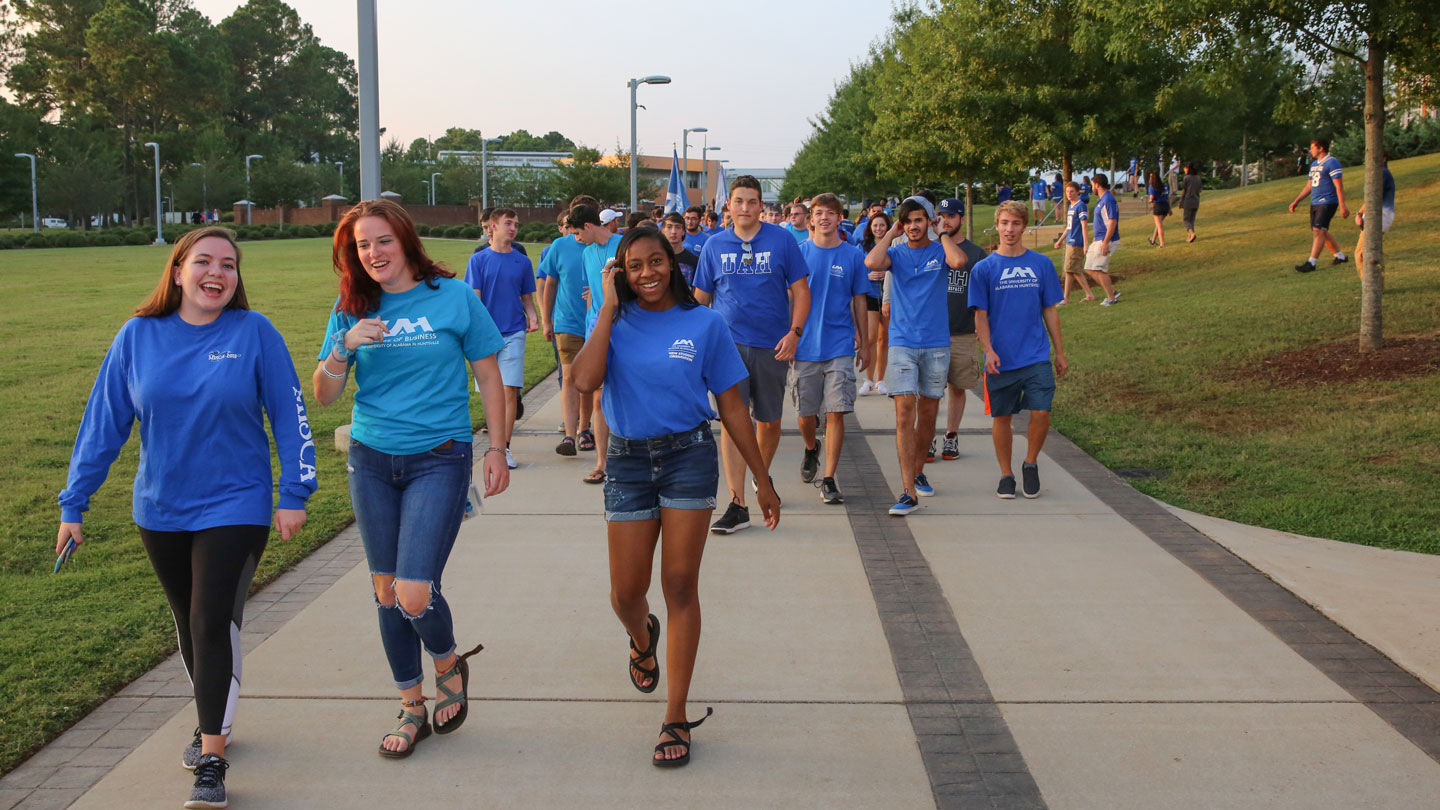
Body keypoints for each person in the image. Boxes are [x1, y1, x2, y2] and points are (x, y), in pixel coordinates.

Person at [58, 226, 316, 809]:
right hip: (160, 507)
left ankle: (212, 756)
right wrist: (75, 502)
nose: (217, 273)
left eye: (228, 264)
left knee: (209, 618)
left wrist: (294, 492)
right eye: (204, 262)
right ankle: (213, 719)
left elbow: (290, 414)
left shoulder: (255, 332)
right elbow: (104, 424)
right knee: (191, 622)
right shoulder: (137, 336)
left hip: (237, 502)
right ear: (177, 270)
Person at [570, 226, 780, 767]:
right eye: (634, 265)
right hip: (628, 462)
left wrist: (762, 479)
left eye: (656, 261)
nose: (648, 273)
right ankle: (642, 638)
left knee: (680, 584)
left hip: (688, 456)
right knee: (625, 593)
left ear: (674, 264)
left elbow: (734, 408)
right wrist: (605, 308)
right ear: (620, 272)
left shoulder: (705, 324)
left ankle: (676, 715)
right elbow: (586, 381)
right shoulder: (613, 325)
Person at [311, 199, 510, 760]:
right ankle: (412, 707)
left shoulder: (452, 297)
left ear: (405, 240)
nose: (372, 253)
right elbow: (324, 396)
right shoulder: (351, 307)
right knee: (384, 593)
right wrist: (343, 349)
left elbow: (490, 377)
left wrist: (497, 448)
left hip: (440, 458)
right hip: (372, 461)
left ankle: (448, 662)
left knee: (412, 590)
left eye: (382, 241)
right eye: (361, 245)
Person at [693, 175, 811, 534]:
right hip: (727, 348)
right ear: (728, 205)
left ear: (762, 206)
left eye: (752, 201)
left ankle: (762, 475)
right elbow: (700, 300)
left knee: (769, 421)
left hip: (772, 346)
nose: (745, 208)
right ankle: (737, 501)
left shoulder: (782, 241)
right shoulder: (714, 246)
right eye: (738, 201)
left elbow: (802, 292)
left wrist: (794, 334)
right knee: (732, 422)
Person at [864, 197, 964, 516]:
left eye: (919, 220)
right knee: (905, 410)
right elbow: (871, 263)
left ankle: (918, 470)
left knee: (929, 413)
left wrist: (942, 232)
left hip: (936, 344)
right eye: (908, 221)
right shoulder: (895, 252)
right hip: (903, 342)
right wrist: (891, 231)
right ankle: (908, 491)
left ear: (929, 221)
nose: (913, 226)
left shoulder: (940, 250)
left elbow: (959, 262)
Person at [969, 201, 1067, 500]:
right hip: (1001, 358)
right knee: (1002, 418)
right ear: (997, 226)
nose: (1010, 229)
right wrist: (988, 350)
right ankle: (1006, 474)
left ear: (1024, 226)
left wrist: (1059, 353)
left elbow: (1050, 310)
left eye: (1015, 223)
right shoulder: (984, 269)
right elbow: (980, 316)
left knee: (1041, 411)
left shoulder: (1041, 264)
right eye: (1004, 223)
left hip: (1035, 355)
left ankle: (1031, 462)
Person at [793, 193, 871, 503]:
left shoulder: (853, 256)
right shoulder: (799, 253)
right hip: (804, 347)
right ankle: (812, 447)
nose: (824, 218)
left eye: (831, 213)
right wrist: (788, 336)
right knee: (805, 415)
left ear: (841, 219)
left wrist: (865, 343)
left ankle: (829, 478)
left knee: (837, 412)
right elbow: (788, 299)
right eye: (819, 213)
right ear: (811, 219)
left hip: (839, 345)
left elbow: (860, 301)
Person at [464, 207, 538, 470]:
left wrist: (533, 316)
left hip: (514, 332)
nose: (513, 228)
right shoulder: (479, 260)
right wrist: (477, 332)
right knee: (489, 391)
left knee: (509, 391)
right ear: (492, 226)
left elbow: (527, 296)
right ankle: (495, 441)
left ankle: (503, 448)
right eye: (508, 223)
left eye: (516, 224)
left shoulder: (522, 261)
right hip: (486, 336)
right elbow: (474, 298)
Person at [538, 196, 601, 457]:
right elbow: (550, 282)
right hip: (567, 322)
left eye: (577, 229)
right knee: (570, 378)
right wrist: (546, 318)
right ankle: (569, 435)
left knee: (588, 380)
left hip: (596, 323)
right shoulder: (559, 246)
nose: (575, 235)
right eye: (570, 229)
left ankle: (584, 428)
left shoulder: (602, 247)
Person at [572, 204, 623, 484]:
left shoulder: (624, 244)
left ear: (589, 226)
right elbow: (591, 292)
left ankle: (628, 456)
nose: (576, 238)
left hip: (625, 325)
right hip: (597, 326)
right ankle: (602, 462)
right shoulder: (587, 254)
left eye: (578, 232)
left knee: (627, 390)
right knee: (599, 396)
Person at [935, 198, 987, 462]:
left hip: (963, 330)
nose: (946, 220)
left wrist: (983, 327)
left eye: (951, 216)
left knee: (957, 387)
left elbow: (984, 296)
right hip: (932, 332)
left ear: (962, 219)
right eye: (941, 215)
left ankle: (951, 436)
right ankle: (927, 437)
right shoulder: (931, 250)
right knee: (929, 389)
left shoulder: (976, 254)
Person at [1289, 137, 1349, 273]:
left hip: (1327, 202)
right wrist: (1297, 200)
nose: (1310, 150)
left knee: (1319, 231)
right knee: (1321, 232)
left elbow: (1339, 186)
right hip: (1315, 202)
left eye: (1312, 147)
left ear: (1321, 148)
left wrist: (1342, 206)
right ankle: (1340, 257)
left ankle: (1312, 263)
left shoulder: (1332, 162)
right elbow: (1309, 186)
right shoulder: (1314, 165)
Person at [858, 211, 893, 396]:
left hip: (888, 297)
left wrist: (887, 275)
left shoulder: (893, 246)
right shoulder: (864, 247)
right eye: (875, 225)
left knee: (884, 338)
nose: (879, 229)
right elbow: (857, 272)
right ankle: (868, 379)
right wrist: (868, 275)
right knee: (871, 338)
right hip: (870, 295)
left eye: (882, 225)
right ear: (870, 228)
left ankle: (881, 380)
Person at [1352, 153, 1395, 278]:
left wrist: (1359, 213)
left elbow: (1373, 197)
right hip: (1379, 216)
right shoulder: (1382, 173)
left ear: (1384, 158)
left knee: (1360, 253)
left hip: (1380, 217)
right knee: (1375, 253)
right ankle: (1378, 284)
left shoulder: (1382, 173)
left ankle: (1369, 285)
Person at [1054, 181, 1095, 304]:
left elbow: (1084, 225)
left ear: (1077, 192)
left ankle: (1088, 294)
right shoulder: (1071, 207)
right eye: (1067, 191)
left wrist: (1086, 243)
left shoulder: (1080, 205)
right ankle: (1066, 298)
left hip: (1076, 242)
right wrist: (1060, 240)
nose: (1069, 194)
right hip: (1069, 242)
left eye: (1072, 191)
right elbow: (1069, 226)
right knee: (1069, 270)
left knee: (1074, 270)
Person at [1087, 174, 1122, 306]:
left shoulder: (1108, 200)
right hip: (1098, 239)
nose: (1092, 188)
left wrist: (1106, 242)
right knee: (1089, 268)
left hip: (1106, 239)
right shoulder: (1101, 200)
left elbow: (1112, 222)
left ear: (1097, 184)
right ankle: (1112, 291)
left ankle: (1111, 298)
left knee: (1099, 270)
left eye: (1092, 185)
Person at [659, 211, 701, 286]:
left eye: (678, 227)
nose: (673, 232)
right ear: (663, 230)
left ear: (683, 231)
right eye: (669, 227)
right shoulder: (656, 259)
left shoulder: (695, 261)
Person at [1180, 163, 1203, 243]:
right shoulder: (1198, 178)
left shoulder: (1186, 178)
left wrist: (1181, 201)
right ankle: (1190, 236)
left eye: (1185, 168)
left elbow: (1184, 191)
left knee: (1186, 220)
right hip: (1196, 201)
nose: (1184, 170)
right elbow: (1200, 190)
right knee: (1192, 220)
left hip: (1188, 200)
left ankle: (1191, 233)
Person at [1147, 171, 1170, 248]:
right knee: (1158, 224)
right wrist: (1170, 209)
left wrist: (1150, 201)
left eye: (1151, 177)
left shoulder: (1152, 186)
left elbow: (1151, 198)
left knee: (1159, 225)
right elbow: (1167, 197)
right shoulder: (1164, 186)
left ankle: (1162, 243)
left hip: (1158, 206)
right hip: (1165, 206)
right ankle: (1153, 240)